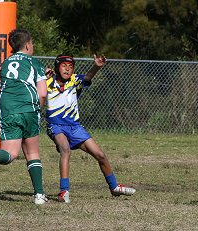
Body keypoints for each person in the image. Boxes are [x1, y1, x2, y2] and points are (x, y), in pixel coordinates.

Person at [45, 54, 136, 203]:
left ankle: (114, 187)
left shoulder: (74, 80)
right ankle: (64, 191)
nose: (68, 69)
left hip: (75, 127)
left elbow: (87, 77)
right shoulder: (47, 81)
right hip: (55, 126)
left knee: (100, 154)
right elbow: (33, 78)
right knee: (65, 149)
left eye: (70, 66)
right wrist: (42, 72)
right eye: (64, 66)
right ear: (57, 67)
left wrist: (97, 66)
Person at [0, 29, 48, 205]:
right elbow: (42, 93)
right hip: (28, 109)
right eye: (32, 43)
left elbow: (6, 83)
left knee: (10, 154)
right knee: (33, 152)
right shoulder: (35, 63)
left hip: (8, 110)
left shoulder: (4, 64)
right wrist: (36, 110)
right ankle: (39, 196)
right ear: (28, 45)